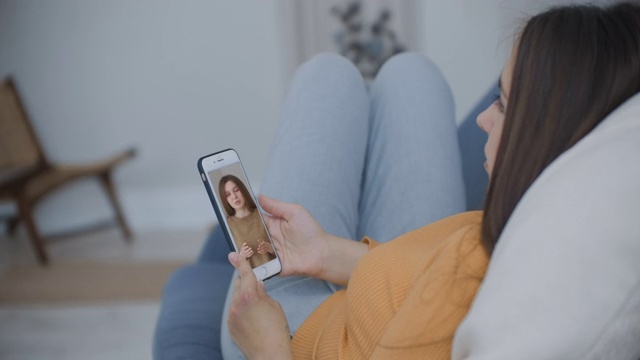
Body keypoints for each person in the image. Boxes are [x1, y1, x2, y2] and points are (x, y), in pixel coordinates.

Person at [221, 2, 640, 359]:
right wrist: (326, 253)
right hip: (380, 291)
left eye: (504, 105)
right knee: (411, 72)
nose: (482, 119)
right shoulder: (536, 223)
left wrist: (267, 347)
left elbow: (437, 294)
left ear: (548, 132)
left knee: (325, 74)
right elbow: (426, 274)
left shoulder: (493, 299)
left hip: (288, 332)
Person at [218, 175, 275, 268]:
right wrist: (242, 256)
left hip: (275, 269)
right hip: (252, 278)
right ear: (225, 199)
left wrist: (269, 247)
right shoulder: (229, 225)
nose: (234, 196)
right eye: (227, 194)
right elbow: (235, 264)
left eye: (236, 190)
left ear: (243, 190)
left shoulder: (261, 214)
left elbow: (282, 249)